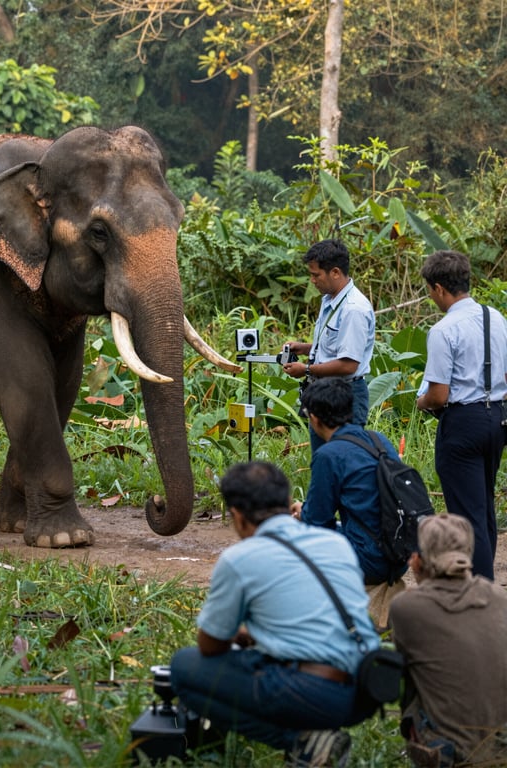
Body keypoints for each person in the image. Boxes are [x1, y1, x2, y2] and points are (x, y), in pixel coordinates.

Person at [170, 461, 380, 767]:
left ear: (238, 517)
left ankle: (303, 741)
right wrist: (260, 635)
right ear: (286, 502)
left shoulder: (239, 559)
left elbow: (210, 646)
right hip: (366, 689)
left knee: (185, 666)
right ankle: (315, 732)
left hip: (312, 693)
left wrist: (239, 636)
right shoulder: (336, 543)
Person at [415, 249, 507, 580]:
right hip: (497, 418)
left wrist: (421, 401)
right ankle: (488, 584)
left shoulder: (443, 329)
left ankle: (479, 590)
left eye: (429, 290)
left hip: (462, 424)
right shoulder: (495, 317)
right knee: (483, 508)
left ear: (439, 287)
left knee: (466, 515)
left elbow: (439, 396)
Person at [389, 513, 507, 767]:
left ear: (419, 559)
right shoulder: (500, 598)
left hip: (447, 753)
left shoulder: (406, 608)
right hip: (501, 746)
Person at [291, 378, 405, 628]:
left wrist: (302, 513)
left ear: (314, 419)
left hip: (370, 559)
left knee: (291, 537)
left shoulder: (329, 455)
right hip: (399, 553)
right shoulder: (379, 441)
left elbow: (317, 522)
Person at [282, 239, 375, 452]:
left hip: (345, 395)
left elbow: (348, 365)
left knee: (344, 461)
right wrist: (304, 347)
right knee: (323, 458)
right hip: (324, 392)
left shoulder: (353, 309)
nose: (312, 280)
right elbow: (337, 345)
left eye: (316, 275)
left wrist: (305, 369)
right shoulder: (330, 299)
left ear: (335, 272)